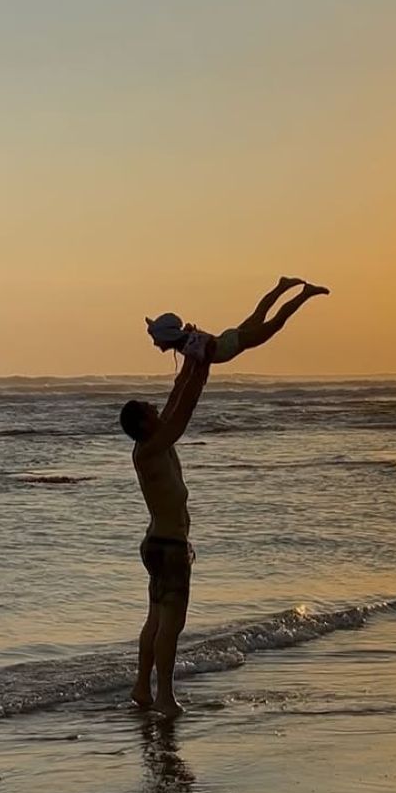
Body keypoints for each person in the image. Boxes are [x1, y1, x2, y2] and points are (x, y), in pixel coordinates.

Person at [120, 346, 211, 717]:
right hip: (168, 548)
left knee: (156, 618)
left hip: (163, 544)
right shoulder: (150, 448)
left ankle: (143, 688)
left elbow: (177, 398)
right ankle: (164, 696)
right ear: (144, 424)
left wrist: (191, 359)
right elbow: (184, 411)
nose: (158, 409)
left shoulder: (157, 442)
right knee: (170, 624)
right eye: (150, 409)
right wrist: (202, 366)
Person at [146, 276, 329, 365]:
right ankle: (281, 286)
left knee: (276, 322)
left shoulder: (188, 344)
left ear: (167, 336)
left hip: (234, 343)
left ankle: (305, 293)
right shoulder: (186, 342)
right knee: (259, 315)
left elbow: (206, 350)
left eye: (155, 338)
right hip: (230, 340)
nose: (154, 343)